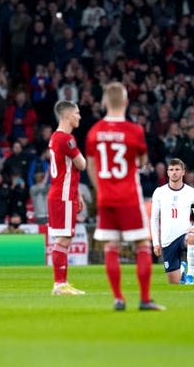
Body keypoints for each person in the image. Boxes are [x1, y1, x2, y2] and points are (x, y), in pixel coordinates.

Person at [86, 82, 164, 311]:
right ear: (126, 102)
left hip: (105, 197)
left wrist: (100, 188)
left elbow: (91, 164)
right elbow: (142, 162)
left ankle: (118, 298)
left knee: (112, 246)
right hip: (129, 196)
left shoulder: (95, 131)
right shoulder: (134, 130)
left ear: (104, 103)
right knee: (142, 244)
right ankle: (145, 299)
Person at [48, 100, 86, 296]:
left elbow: (67, 169)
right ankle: (59, 284)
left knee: (65, 238)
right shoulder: (66, 139)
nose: (79, 116)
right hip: (63, 195)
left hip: (62, 193)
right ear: (67, 116)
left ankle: (61, 283)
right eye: (77, 113)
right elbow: (82, 164)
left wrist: (77, 192)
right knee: (64, 238)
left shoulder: (55, 137)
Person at [150, 158, 194, 285]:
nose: (174, 172)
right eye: (171, 170)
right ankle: (182, 268)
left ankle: (190, 275)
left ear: (183, 172)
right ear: (168, 172)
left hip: (184, 234)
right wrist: (156, 243)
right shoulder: (159, 192)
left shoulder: (192, 192)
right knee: (174, 282)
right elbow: (154, 218)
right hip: (167, 239)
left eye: (177, 170)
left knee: (192, 238)